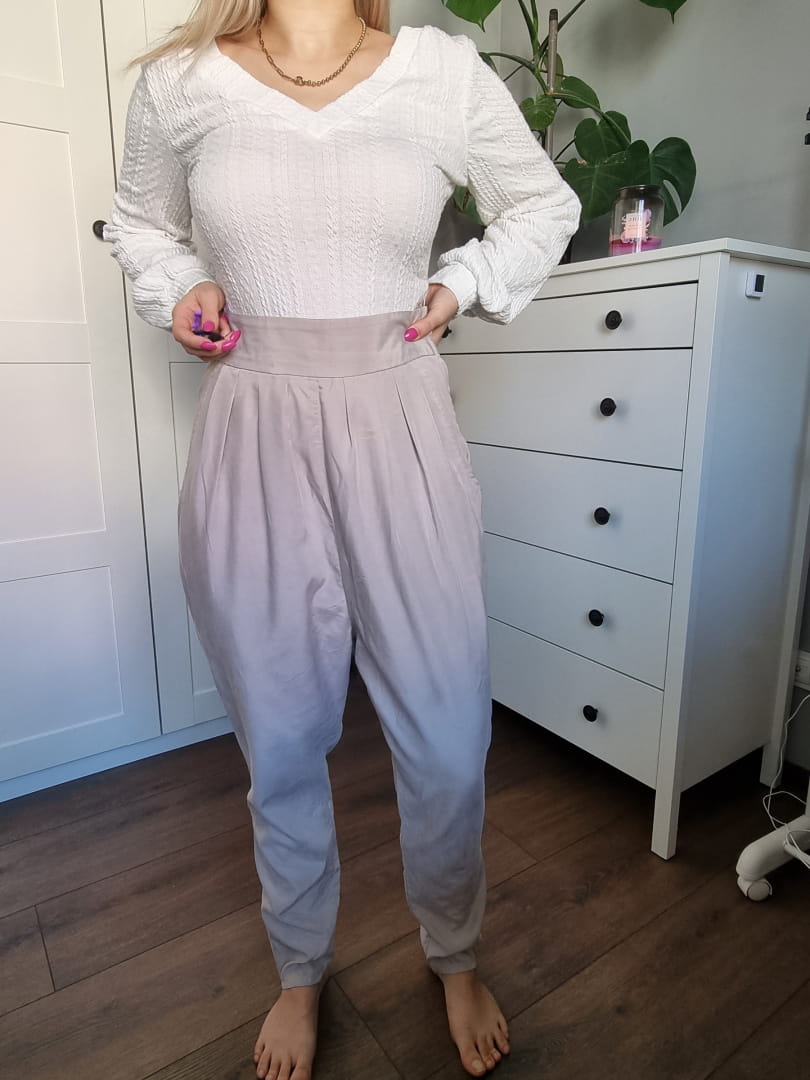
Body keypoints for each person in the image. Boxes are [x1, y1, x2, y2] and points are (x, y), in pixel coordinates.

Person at [103, 2, 580, 1077]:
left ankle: (454, 952)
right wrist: (180, 286)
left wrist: (462, 282)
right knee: (280, 737)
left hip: (399, 410)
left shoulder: (442, 73)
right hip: (254, 420)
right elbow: (139, 223)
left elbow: (542, 203)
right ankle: (300, 968)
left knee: (448, 734)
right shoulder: (181, 83)